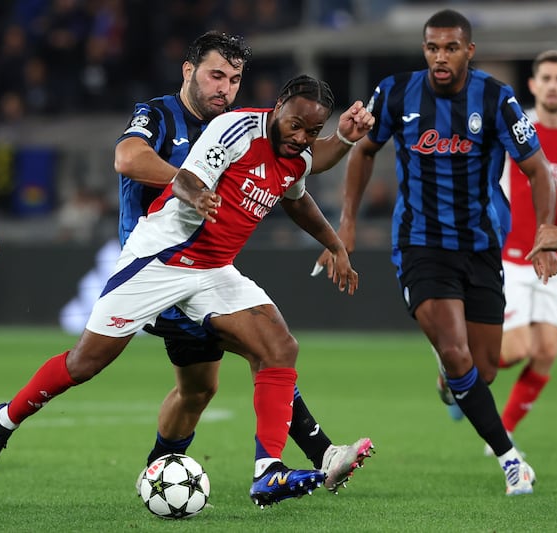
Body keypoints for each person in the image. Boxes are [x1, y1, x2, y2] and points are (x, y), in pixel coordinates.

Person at [0, 74, 375, 508]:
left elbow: (300, 191)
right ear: (278, 106)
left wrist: (336, 218)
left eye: (312, 131)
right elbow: (188, 175)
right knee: (84, 362)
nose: (301, 138)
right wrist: (197, 193)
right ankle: (4, 421)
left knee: (280, 347)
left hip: (214, 271)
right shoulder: (236, 129)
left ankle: (268, 471)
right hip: (161, 258)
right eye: (296, 124)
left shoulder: (297, 155)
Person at [114, 31, 373, 496]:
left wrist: (344, 139)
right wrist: (193, 181)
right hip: (157, 266)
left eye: (234, 80)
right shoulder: (159, 115)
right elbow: (128, 157)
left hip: (205, 271)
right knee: (270, 348)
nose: (225, 88)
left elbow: (301, 168)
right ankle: (314, 456)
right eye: (216, 76)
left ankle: (157, 473)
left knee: (198, 390)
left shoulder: (245, 127)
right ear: (188, 71)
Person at [325, 9, 557, 496]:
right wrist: (345, 224)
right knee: (455, 353)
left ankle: (453, 380)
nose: (440, 57)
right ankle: (512, 461)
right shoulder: (394, 92)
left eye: (451, 48)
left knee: (483, 369)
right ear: (424, 49)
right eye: (432, 47)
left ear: (468, 51)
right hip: (420, 245)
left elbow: (536, 169)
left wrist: (546, 232)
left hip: (479, 245)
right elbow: (364, 151)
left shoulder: (497, 99)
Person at [487, 50, 557, 455]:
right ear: (533, 86)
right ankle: (456, 367)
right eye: (545, 78)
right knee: (517, 350)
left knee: (547, 352)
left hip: (556, 258)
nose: (552, 85)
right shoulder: (516, 127)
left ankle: (505, 429)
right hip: (512, 255)